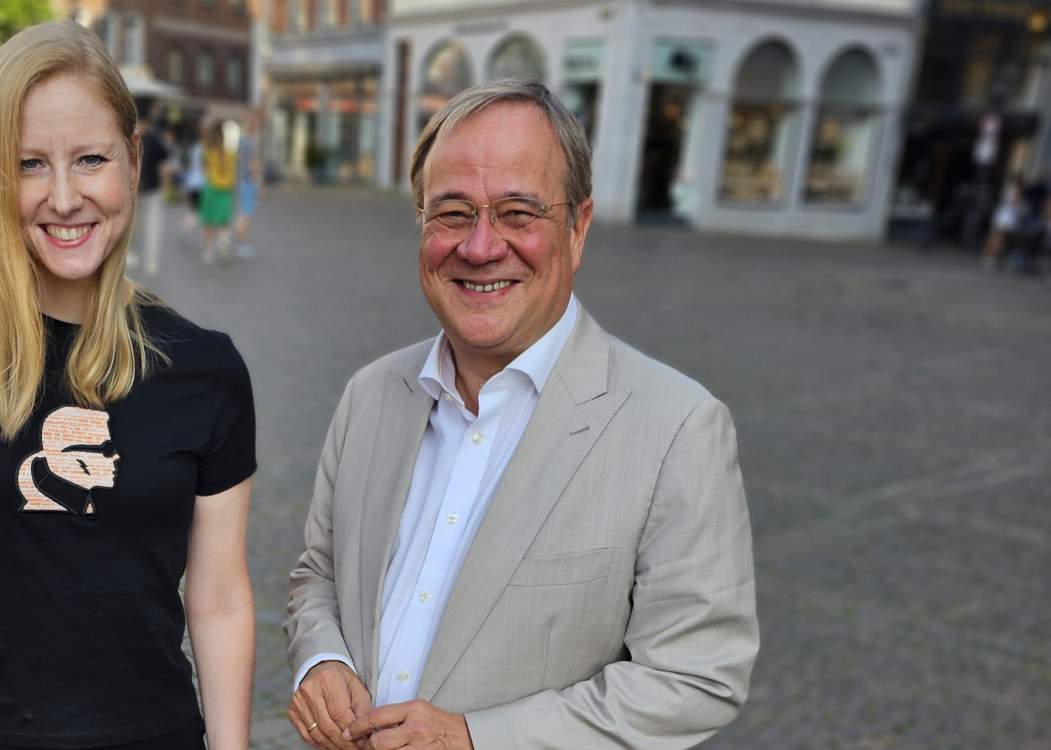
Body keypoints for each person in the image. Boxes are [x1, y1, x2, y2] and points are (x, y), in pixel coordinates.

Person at [284, 79, 757, 750]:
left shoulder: (677, 428)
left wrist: (476, 739)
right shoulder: (371, 394)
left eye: (517, 213)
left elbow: (695, 677)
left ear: (578, 228)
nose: (480, 247)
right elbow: (321, 574)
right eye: (452, 213)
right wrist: (321, 658)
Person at [0, 21, 256, 750]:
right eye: (30, 164)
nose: (63, 197)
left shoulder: (206, 370)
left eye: (89, 159)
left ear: (133, 160)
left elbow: (219, 599)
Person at [131, 117, 172, 276]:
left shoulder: (129, 141)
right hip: (151, 189)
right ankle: (151, 261)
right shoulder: (156, 141)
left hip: (135, 189)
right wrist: (165, 187)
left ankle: (133, 255)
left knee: (133, 225)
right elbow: (165, 167)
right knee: (152, 226)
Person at [199, 119, 236, 264]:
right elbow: (234, 177)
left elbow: (204, 171)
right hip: (225, 191)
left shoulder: (208, 152)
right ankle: (224, 245)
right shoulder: (231, 154)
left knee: (208, 223)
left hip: (211, 189)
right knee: (224, 222)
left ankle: (208, 252)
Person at [232, 117, 262, 258]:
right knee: (247, 212)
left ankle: (238, 239)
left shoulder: (241, 141)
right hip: (250, 179)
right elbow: (254, 163)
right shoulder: (252, 143)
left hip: (241, 179)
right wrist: (260, 182)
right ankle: (239, 241)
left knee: (243, 209)